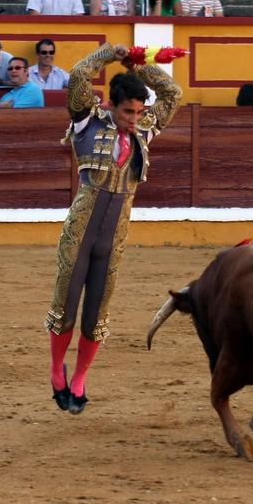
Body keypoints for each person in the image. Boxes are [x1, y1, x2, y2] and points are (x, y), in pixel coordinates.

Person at [45, 42, 182, 415]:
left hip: (115, 236)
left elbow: (173, 94)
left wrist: (136, 65)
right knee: (67, 307)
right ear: (112, 105)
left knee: (97, 314)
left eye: (139, 111)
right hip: (80, 231)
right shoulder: (87, 119)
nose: (135, 118)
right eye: (128, 111)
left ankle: (80, 379)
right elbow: (77, 77)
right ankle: (58, 370)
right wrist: (108, 53)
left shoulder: (144, 131)